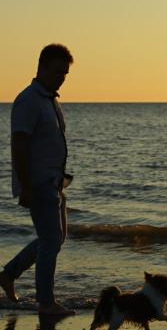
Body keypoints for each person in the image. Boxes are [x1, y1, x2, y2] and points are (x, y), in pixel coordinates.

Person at [0, 44, 75, 315]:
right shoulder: (29, 100)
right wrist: (26, 187)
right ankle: (46, 302)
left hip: (54, 181)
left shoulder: (50, 100)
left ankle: (8, 275)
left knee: (55, 238)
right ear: (41, 67)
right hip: (38, 182)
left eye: (65, 73)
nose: (61, 78)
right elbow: (19, 144)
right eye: (57, 72)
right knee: (51, 240)